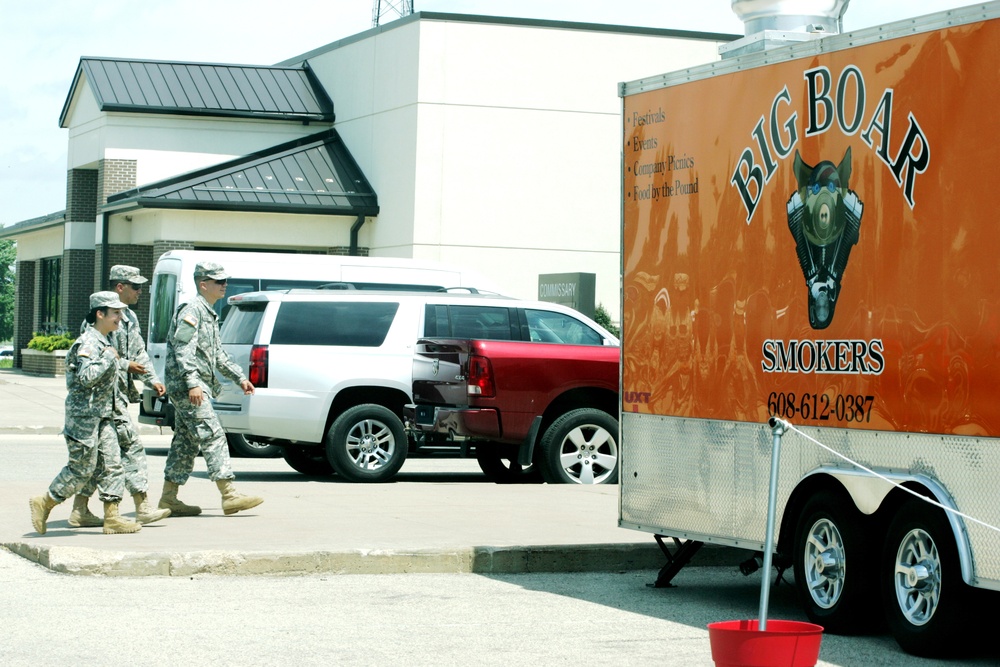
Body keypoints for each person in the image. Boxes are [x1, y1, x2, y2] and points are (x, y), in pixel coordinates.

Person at [29, 292, 142, 535]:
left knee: (113, 465)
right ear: (100, 314)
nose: (119, 318)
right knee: (81, 469)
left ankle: (112, 517)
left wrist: (119, 361)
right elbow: (86, 377)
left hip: (102, 416)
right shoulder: (88, 343)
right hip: (84, 419)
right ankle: (45, 501)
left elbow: (106, 365)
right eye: (115, 313)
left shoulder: (103, 342)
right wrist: (110, 359)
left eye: (120, 313)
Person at [68, 265, 171, 528]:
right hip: (101, 401)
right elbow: (100, 358)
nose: (140, 292)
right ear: (120, 287)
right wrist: (125, 365)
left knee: (121, 452)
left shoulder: (131, 319)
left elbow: (139, 353)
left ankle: (135, 507)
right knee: (107, 456)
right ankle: (129, 508)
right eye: (135, 287)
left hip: (118, 398)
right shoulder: (98, 319)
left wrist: (153, 380)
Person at [158, 261, 263, 516]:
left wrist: (240, 378)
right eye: (219, 282)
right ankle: (229, 495)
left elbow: (217, 355)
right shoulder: (192, 311)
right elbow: (183, 350)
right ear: (203, 284)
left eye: (225, 281)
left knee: (185, 442)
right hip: (188, 386)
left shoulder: (208, 312)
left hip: (196, 385)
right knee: (213, 433)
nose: (224, 285)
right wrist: (193, 383)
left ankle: (168, 498)